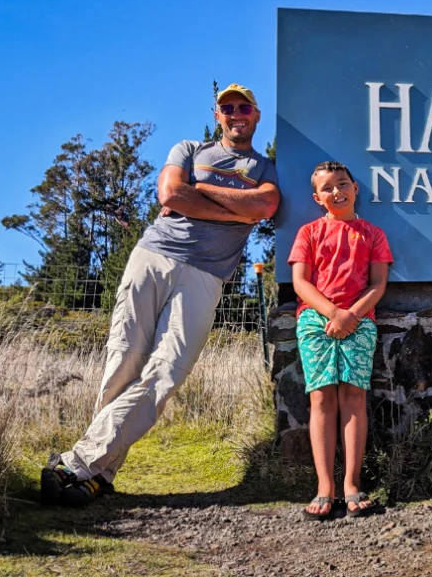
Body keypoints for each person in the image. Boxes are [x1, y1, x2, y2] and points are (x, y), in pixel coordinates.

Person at [41, 84, 280, 506]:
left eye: (245, 107)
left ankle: (78, 462)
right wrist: (234, 206)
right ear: (217, 114)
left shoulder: (266, 168)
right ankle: (99, 475)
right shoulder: (189, 148)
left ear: (257, 116)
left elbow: (263, 207)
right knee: (122, 363)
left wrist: (200, 191)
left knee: (167, 372)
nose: (236, 113)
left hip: (207, 275)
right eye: (228, 107)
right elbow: (170, 193)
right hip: (154, 256)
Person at [288, 160, 392, 520]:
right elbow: (301, 283)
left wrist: (351, 315)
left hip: (360, 320)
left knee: (353, 395)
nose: (337, 192)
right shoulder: (308, 233)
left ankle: (351, 483)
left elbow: (378, 285)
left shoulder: (373, 234)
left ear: (355, 188)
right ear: (317, 197)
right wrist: (333, 313)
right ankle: (324, 487)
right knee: (321, 398)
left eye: (343, 184)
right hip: (316, 320)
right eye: (328, 187)